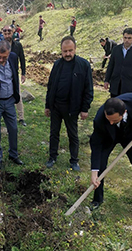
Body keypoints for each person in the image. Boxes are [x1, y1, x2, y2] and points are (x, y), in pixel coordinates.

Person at [89, 92, 132, 214]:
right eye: (108, 119)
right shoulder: (99, 119)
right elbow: (96, 146)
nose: (110, 122)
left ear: (124, 113)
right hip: (109, 137)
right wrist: (94, 171)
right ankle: (97, 200)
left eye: (114, 120)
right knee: (100, 167)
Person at [44, 36, 94, 171]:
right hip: (56, 106)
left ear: (75, 49)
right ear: (61, 51)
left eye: (70, 51)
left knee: (73, 135)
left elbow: (88, 89)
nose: (67, 54)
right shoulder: (57, 65)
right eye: (65, 51)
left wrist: (85, 108)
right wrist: (48, 106)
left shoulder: (83, 65)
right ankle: (52, 157)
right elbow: (51, 86)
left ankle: (74, 161)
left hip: (72, 107)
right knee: (54, 133)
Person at [0, 26, 29, 126]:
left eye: (9, 33)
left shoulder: (18, 45)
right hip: (2, 75)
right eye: (5, 33)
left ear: (12, 33)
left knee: (17, 95)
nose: (7, 35)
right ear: (3, 34)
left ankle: (21, 118)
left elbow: (22, 59)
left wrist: (23, 73)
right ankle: (3, 116)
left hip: (14, 74)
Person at [104, 28, 132, 97]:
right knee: (114, 104)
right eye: (125, 38)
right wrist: (106, 80)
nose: (127, 40)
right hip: (115, 82)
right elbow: (111, 65)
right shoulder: (116, 49)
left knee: (126, 104)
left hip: (128, 83)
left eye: (129, 38)